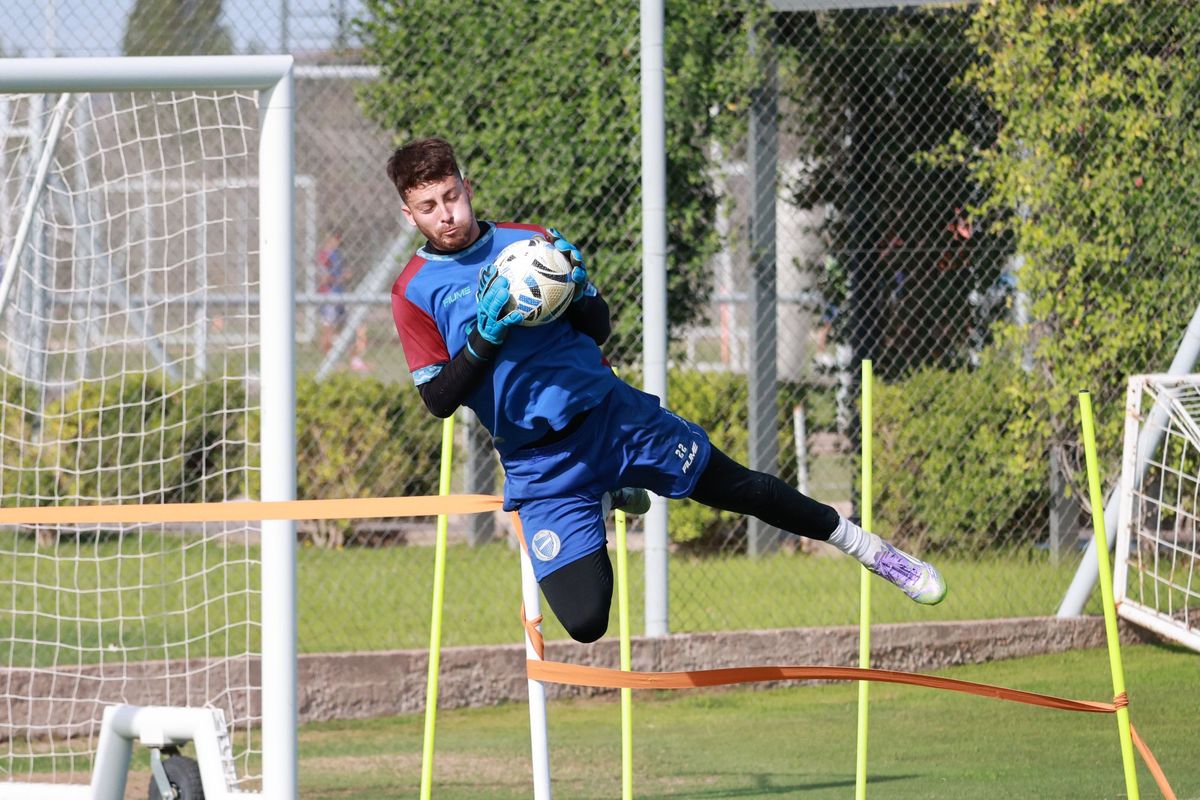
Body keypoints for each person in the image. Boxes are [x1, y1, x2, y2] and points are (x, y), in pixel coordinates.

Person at [387, 137, 946, 644]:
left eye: (451, 196)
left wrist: (578, 289)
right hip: (540, 462)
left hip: (614, 419)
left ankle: (872, 552)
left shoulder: (531, 245)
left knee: (741, 488)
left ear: (467, 187)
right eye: (429, 207)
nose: (447, 215)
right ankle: (604, 496)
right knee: (585, 622)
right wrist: (487, 336)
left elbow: (599, 328)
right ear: (409, 214)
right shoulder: (414, 292)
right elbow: (439, 400)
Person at [317, 228, 370, 373]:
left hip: (340, 295)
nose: (337, 242)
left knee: (348, 329)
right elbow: (324, 279)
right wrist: (342, 276)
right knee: (328, 328)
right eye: (335, 239)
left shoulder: (337, 254)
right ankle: (329, 362)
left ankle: (353, 360)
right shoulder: (324, 256)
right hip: (329, 296)